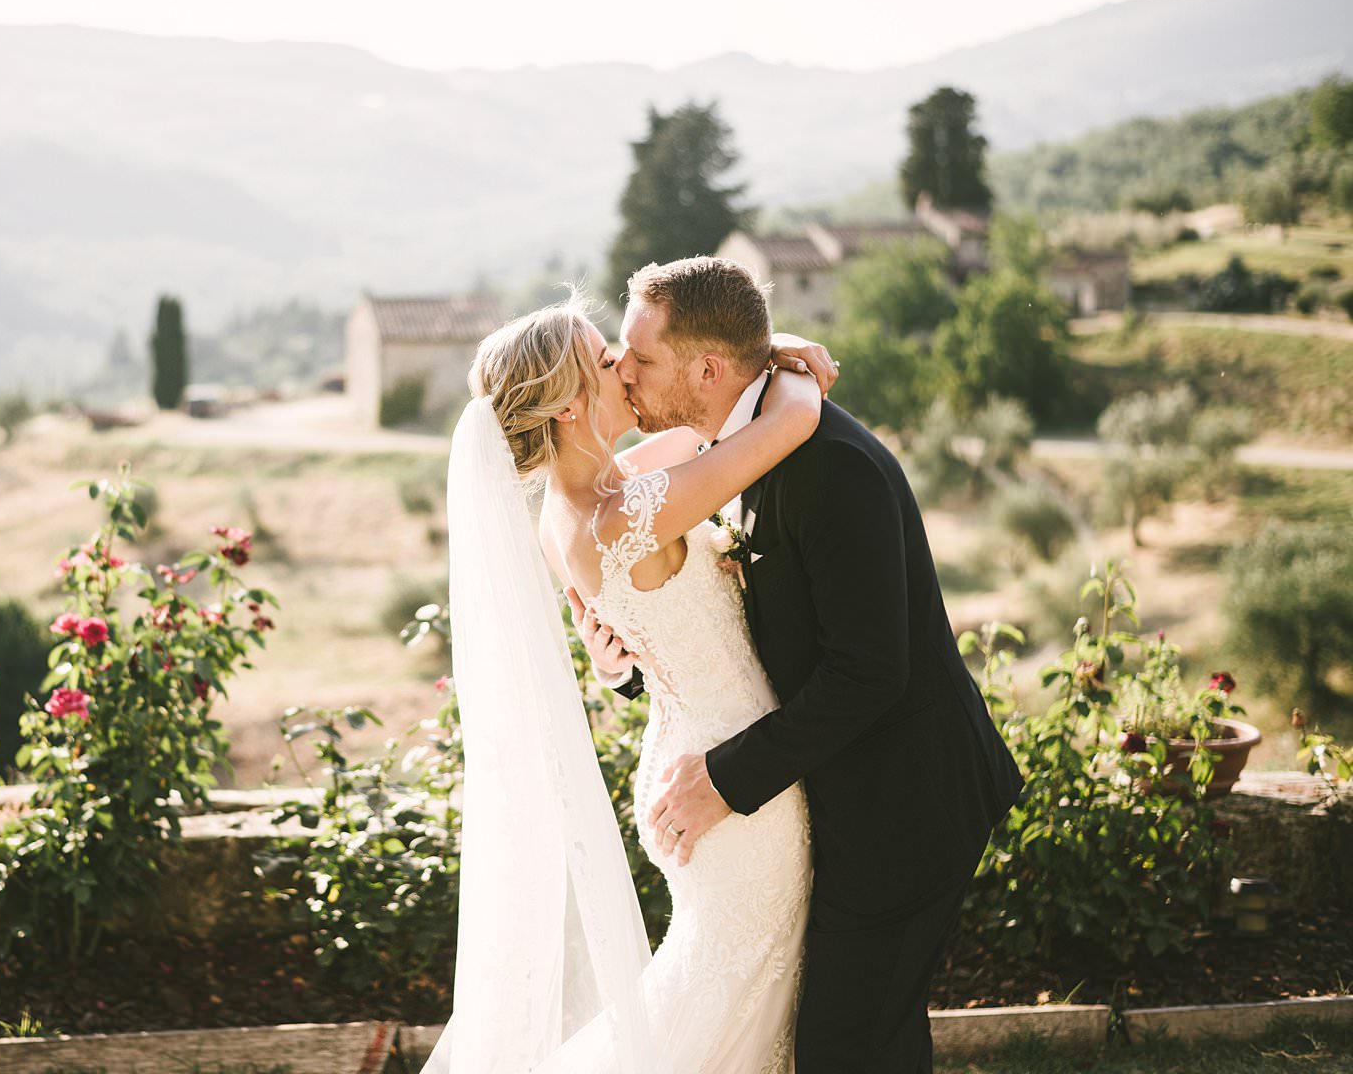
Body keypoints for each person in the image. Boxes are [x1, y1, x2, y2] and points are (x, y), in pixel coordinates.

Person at [577, 256, 1026, 1073]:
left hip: (905, 797)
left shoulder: (832, 467)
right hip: (840, 786)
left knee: (848, 1046)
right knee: (851, 1041)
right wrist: (631, 664)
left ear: (707, 371)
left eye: (641, 358)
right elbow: (737, 630)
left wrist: (725, 780)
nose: (624, 372)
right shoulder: (736, 445)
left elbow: (869, 672)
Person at [422, 273, 836, 1074]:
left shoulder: (578, 507)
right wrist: (782, 360)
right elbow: (793, 420)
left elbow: (702, 430)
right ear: (569, 405)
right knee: (721, 1008)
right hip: (730, 782)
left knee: (719, 999)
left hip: (690, 753)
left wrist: (754, 353)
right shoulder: (627, 516)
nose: (626, 365)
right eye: (607, 358)